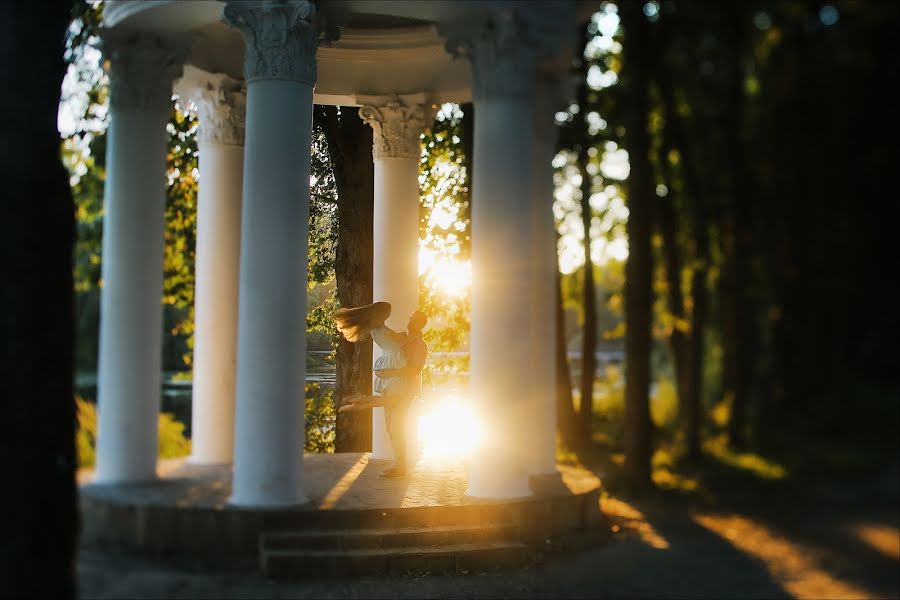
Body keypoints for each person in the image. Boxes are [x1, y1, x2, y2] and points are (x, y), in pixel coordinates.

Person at [334, 302, 428, 478]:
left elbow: (414, 370)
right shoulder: (401, 338)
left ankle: (361, 402)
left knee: (396, 426)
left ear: (418, 324)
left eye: (412, 319)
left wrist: (390, 371)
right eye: (409, 318)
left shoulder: (419, 344)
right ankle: (361, 401)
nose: (408, 321)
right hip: (392, 383)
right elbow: (398, 345)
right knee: (392, 427)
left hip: (404, 387)